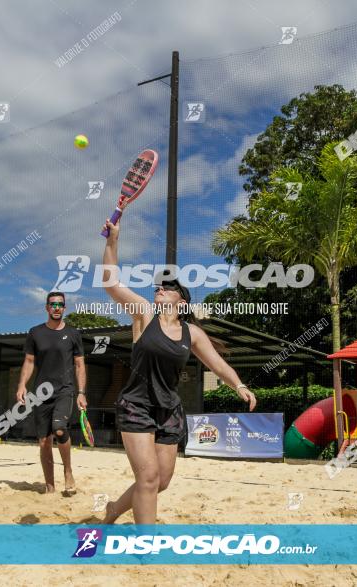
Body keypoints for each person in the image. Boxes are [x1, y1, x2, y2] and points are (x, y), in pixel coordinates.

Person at [100, 217, 256, 524]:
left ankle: (113, 510)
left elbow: (218, 364)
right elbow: (112, 284)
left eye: (168, 287)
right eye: (160, 285)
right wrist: (112, 241)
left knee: (162, 481)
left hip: (169, 409)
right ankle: (146, 544)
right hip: (136, 405)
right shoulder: (144, 314)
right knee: (147, 477)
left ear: (182, 302)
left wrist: (238, 385)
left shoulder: (192, 333)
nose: (160, 288)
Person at [16, 291, 87, 495]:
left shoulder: (73, 334)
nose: (57, 308)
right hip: (40, 393)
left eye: (60, 304)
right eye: (53, 304)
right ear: (47, 307)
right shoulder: (35, 333)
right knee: (44, 441)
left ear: (65, 308)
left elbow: (80, 365)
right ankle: (49, 486)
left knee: (59, 428)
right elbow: (29, 362)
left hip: (65, 390)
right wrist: (22, 385)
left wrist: (81, 392)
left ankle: (68, 471)